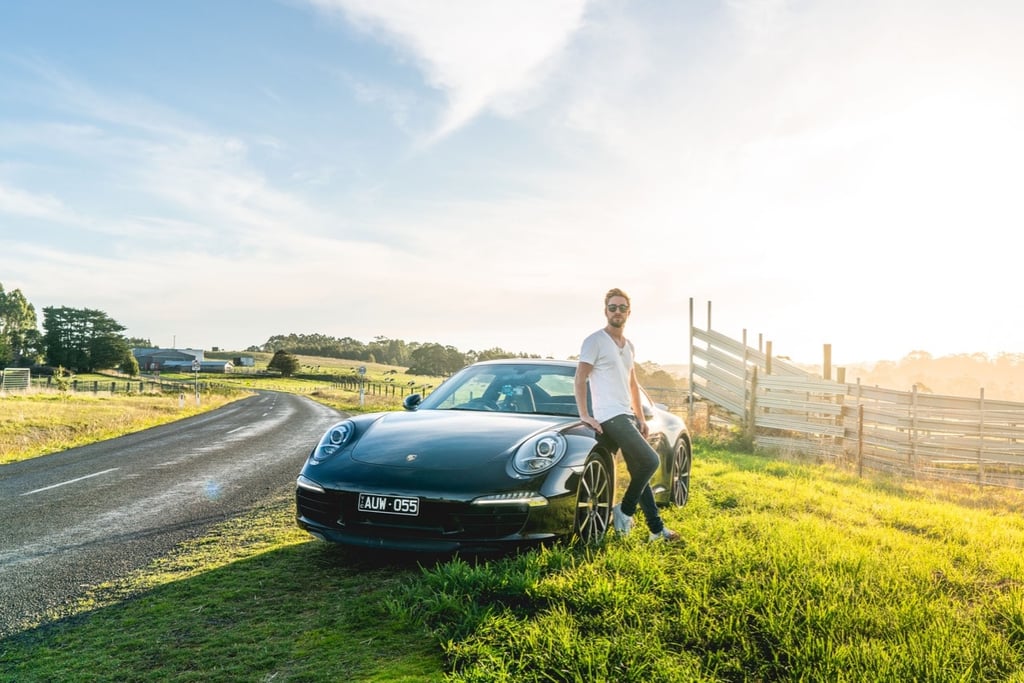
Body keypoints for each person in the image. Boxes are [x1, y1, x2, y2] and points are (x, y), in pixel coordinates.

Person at [574, 287, 680, 542]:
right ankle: (624, 510)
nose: (617, 311)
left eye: (622, 308)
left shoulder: (629, 346)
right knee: (651, 461)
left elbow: (632, 384)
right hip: (609, 416)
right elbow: (580, 378)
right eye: (613, 307)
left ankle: (656, 530)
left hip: (627, 416)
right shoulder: (594, 341)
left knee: (639, 472)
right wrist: (585, 415)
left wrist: (640, 418)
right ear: (605, 311)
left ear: (628, 313)